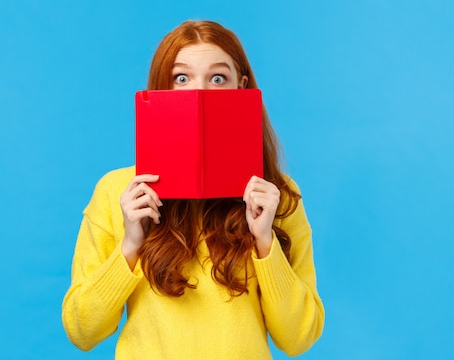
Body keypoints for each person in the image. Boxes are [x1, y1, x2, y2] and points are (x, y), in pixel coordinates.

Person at [62, 20, 324, 359]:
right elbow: (82, 331)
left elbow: (299, 338)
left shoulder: (277, 196)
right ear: (160, 91)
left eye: (218, 78)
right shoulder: (119, 193)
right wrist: (130, 245)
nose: (199, 92)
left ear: (241, 88)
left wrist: (265, 242)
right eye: (181, 78)